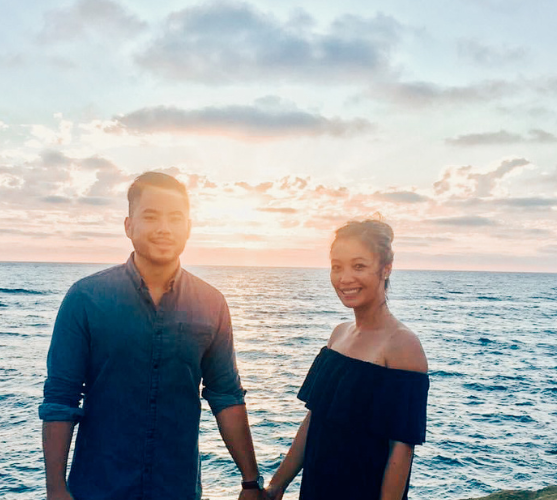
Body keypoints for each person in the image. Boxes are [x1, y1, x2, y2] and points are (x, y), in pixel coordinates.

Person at [39, 172, 265, 500]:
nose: (164, 228)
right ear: (129, 226)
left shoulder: (211, 304)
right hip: (97, 487)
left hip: (178, 488)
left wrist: (250, 481)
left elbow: (226, 396)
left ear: (188, 227)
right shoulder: (86, 298)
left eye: (175, 218)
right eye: (151, 216)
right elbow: (61, 398)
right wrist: (56, 490)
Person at [265, 218, 429, 500]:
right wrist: (276, 486)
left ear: (385, 269)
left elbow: (401, 449)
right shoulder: (338, 335)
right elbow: (313, 420)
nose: (344, 278)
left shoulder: (403, 344)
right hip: (317, 489)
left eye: (359, 266)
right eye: (336, 266)